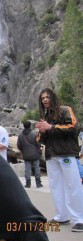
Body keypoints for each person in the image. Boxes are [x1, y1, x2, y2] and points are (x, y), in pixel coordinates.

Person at [36, 88, 83, 232]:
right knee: (55, 186)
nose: (45, 100)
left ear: (53, 98)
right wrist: (42, 132)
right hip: (51, 155)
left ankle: (79, 219)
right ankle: (61, 216)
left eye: (47, 97)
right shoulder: (45, 116)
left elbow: (73, 127)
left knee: (73, 185)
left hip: (66, 153)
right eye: (43, 98)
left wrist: (51, 127)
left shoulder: (65, 110)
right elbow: (40, 139)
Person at [17, 121, 43, 188]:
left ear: (23, 126)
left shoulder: (20, 135)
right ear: (30, 126)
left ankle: (28, 183)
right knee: (37, 168)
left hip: (26, 154)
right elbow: (38, 143)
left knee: (27, 169)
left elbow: (18, 145)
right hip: (35, 154)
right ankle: (38, 183)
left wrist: (23, 150)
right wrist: (38, 149)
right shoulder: (34, 134)